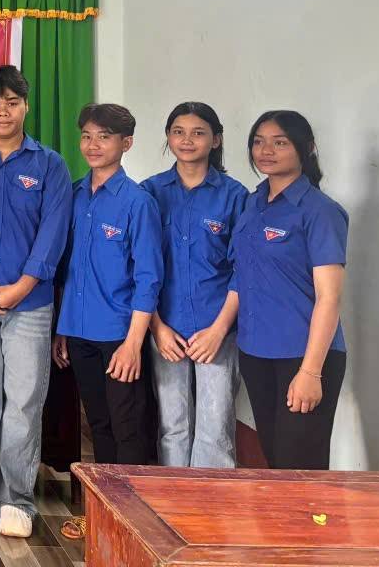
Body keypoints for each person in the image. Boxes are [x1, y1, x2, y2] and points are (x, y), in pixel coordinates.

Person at [0, 65, 71, 540]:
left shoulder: (50, 165)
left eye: (11, 103)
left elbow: (53, 232)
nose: (3, 112)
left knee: (24, 402)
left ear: (25, 106)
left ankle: (16, 499)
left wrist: (23, 285)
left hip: (31, 303)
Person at [233, 110, 347, 470]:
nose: (266, 150)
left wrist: (311, 372)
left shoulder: (319, 211)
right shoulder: (253, 203)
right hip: (255, 351)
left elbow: (330, 297)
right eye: (258, 142)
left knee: (302, 468)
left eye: (280, 142)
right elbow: (242, 275)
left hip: (302, 354)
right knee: (277, 460)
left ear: (306, 148)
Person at [52, 103, 163, 474]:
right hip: (78, 332)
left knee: (127, 427)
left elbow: (149, 277)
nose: (93, 145)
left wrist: (133, 344)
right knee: (97, 423)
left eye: (104, 137)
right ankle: (103, 503)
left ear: (126, 143)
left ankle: (130, 506)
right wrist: (63, 329)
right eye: (86, 136)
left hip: (119, 334)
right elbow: (66, 270)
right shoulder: (74, 195)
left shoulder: (138, 203)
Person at [142, 102, 247, 469]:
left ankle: (210, 502)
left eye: (198, 133)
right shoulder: (150, 192)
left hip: (217, 329)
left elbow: (244, 270)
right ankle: (172, 497)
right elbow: (139, 268)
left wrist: (218, 331)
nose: (187, 140)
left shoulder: (235, 196)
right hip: (165, 327)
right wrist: (157, 327)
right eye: (178, 132)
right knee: (172, 425)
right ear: (168, 137)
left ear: (215, 140)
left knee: (215, 428)